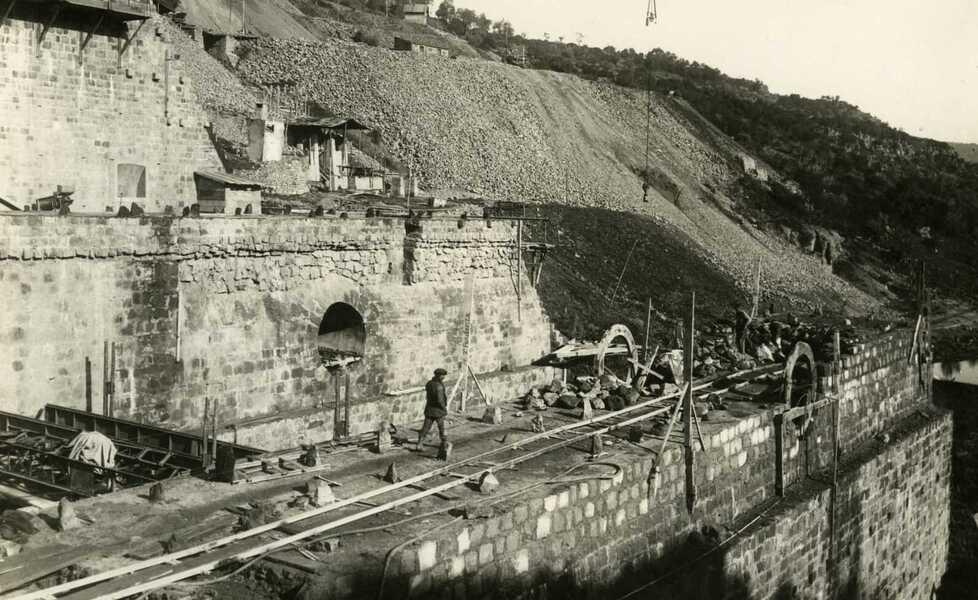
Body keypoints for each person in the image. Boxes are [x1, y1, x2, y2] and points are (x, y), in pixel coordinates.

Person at [417, 368, 449, 452]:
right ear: (439, 376)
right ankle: (444, 445)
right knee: (442, 428)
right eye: (443, 376)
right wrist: (444, 409)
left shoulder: (429, 383)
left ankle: (419, 444)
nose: (444, 377)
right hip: (438, 411)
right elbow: (440, 400)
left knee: (425, 427)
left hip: (429, 409)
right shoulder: (439, 386)